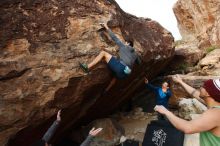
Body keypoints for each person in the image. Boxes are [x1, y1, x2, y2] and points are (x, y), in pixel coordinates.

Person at [154, 75, 220, 146]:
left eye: (204, 87)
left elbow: (188, 128)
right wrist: (180, 82)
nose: (200, 87)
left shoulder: (215, 113)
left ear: (208, 94)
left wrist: (166, 111)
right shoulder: (215, 105)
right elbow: (195, 93)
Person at [80, 22, 141, 92]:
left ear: (127, 43)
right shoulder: (135, 54)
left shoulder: (124, 46)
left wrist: (106, 26)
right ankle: (106, 90)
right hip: (124, 74)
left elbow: (114, 38)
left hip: (120, 67)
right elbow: (139, 62)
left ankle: (87, 67)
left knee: (103, 53)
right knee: (115, 76)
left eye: (125, 42)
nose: (124, 43)